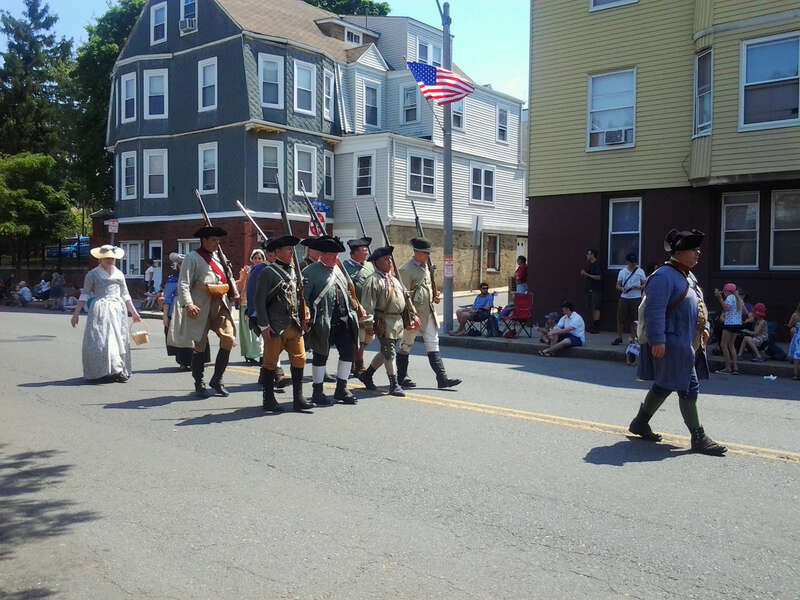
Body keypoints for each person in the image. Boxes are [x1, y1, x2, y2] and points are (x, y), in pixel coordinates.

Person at [628, 228, 726, 455]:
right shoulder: (663, 276)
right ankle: (698, 437)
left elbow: (699, 306)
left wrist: (706, 327)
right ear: (679, 252)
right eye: (693, 249)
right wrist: (657, 340)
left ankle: (640, 423)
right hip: (671, 343)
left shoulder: (688, 276)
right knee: (689, 388)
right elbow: (654, 311)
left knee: (664, 384)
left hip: (686, 343)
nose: (698, 253)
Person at [167, 226, 239, 398]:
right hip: (200, 304)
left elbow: (228, 275)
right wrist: (188, 304)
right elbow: (183, 283)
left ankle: (217, 379)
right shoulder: (192, 257)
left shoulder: (219, 257)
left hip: (219, 303)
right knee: (199, 346)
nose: (216, 243)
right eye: (213, 240)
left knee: (228, 338)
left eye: (218, 240)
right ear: (204, 240)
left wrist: (234, 291)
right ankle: (199, 382)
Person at [254, 235, 315, 412]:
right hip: (275, 326)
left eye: (292, 249)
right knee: (270, 363)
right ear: (278, 251)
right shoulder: (267, 272)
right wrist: (264, 325)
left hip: (294, 324)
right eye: (288, 249)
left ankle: (298, 398)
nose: (291, 252)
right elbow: (259, 301)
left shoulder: (295, 271)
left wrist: (306, 312)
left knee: (300, 359)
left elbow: (299, 296)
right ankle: (268, 399)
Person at [302, 235, 360, 406]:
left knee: (348, 353)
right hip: (322, 320)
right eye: (331, 255)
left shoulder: (338, 271)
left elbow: (348, 293)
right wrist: (306, 315)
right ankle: (317, 391)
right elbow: (303, 298)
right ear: (323, 255)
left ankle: (341, 389)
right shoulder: (310, 272)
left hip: (344, 319)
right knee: (321, 355)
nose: (335, 258)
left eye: (336, 255)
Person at [70, 245, 141, 382]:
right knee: (100, 339)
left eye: (112, 258)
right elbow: (84, 294)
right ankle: (99, 371)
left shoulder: (119, 273)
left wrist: (134, 312)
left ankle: (118, 370)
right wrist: (76, 313)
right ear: (101, 259)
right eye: (107, 258)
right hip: (100, 308)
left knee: (118, 339)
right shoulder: (92, 274)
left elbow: (125, 295)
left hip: (117, 309)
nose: (111, 260)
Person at [399, 237, 461, 389]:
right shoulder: (406, 270)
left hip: (428, 313)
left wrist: (435, 294)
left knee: (433, 344)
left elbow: (426, 287)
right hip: (413, 315)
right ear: (416, 252)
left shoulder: (426, 266)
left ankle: (442, 379)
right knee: (406, 345)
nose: (428, 256)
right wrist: (411, 317)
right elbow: (404, 297)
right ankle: (401, 377)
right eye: (425, 253)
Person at [359, 246, 420, 396]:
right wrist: (368, 324)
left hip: (397, 321)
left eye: (390, 258)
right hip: (383, 321)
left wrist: (413, 315)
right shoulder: (373, 280)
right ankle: (394, 384)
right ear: (376, 263)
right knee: (390, 352)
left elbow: (405, 298)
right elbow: (368, 305)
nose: (389, 261)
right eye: (385, 259)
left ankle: (367, 375)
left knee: (386, 351)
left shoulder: (394, 279)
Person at [343, 237, 375, 376]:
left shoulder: (370, 266)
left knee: (368, 337)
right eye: (364, 250)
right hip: (353, 309)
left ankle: (355, 361)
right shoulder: (344, 267)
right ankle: (358, 362)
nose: (367, 252)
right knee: (358, 338)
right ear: (354, 253)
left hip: (369, 308)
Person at [236, 248, 267, 365]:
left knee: (260, 331)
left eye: (260, 258)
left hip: (261, 305)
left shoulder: (266, 270)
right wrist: (245, 278)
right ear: (252, 259)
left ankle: (261, 354)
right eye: (255, 258)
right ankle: (249, 354)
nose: (258, 260)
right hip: (246, 304)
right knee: (247, 331)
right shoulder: (246, 270)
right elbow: (239, 287)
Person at [612, 253, 645, 345]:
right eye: (631, 262)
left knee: (635, 319)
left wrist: (637, 287)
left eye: (634, 262)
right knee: (620, 318)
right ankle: (619, 337)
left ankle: (633, 337)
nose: (633, 264)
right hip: (624, 298)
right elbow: (618, 285)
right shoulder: (622, 272)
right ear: (627, 262)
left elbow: (645, 284)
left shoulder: (640, 271)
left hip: (636, 298)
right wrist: (622, 289)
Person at [714, 282, 743, 375]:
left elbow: (727, 308)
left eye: (724, 292)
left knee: (723, 345)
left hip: (729, 324)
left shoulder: (730, 298)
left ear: (726, 291)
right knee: (731, 345)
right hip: (737, 324)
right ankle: (735, 367)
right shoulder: (738, 298)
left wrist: (720, 299)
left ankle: (728, 368)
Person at [580, 248, 603, 333]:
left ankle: (596, 327)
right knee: (591, 307)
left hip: (596, 290)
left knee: (596, 307)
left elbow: (599, 277)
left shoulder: (597, 265)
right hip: (589, 289)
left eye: (588, 254)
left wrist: (587, 274)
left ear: (592, 255)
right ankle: (592, 325)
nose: (587, 255)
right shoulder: (589, 265)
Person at [787, 301, 800, 381]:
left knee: (797, 354)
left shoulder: (795, 315)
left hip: (798, 337)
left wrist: (795, 324)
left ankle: (796, 374)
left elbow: (789, 325)